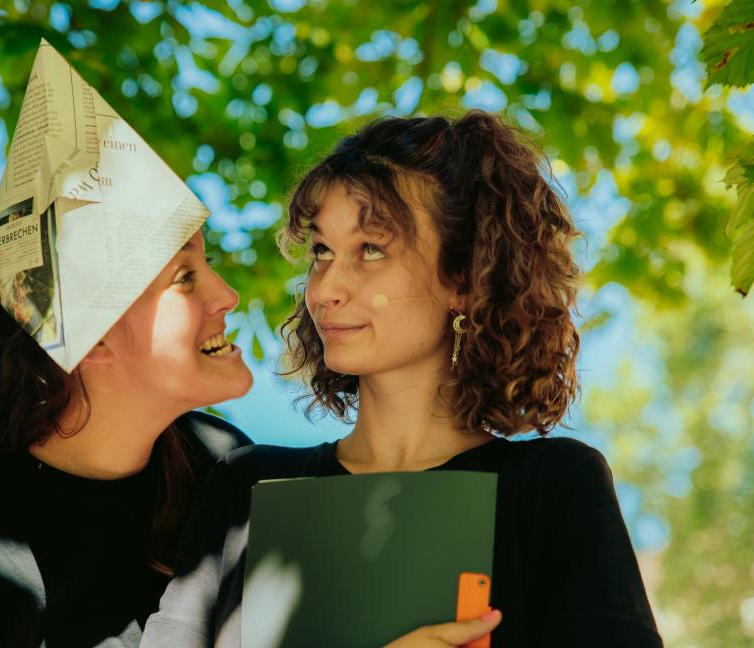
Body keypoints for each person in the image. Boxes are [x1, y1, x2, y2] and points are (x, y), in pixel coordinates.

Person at [141, 111, 663, 647]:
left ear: (465, 276)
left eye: (371, 249)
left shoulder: (554, 488)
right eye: (322, 251)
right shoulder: (244, 487)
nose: (324, 290)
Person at [0, 229, 254, 647]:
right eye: (184, 276)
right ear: (92, 332)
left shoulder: (223, 469)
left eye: (208, 263)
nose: (227, 295)